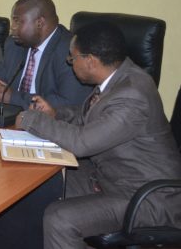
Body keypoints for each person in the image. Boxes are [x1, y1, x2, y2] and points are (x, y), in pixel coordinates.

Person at [16, 22, 181, 249]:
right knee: (41, 183)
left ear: (90, 61)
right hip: (111, 177)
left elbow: (81, 143)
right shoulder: (118, 79)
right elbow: (91, 118)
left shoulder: (133, 94)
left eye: (72, 59)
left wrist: (31, 119)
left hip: (146, 197)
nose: (70, 63)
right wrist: (55, 114)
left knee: (60, 218)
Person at [0, 0, 91, 108]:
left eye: (17, 21)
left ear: (39, 23)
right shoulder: (14, 45)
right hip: (9, 117)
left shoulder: (70, 50)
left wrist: (13, 97)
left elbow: (71, 103)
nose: (13, 27)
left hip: (48, 123)